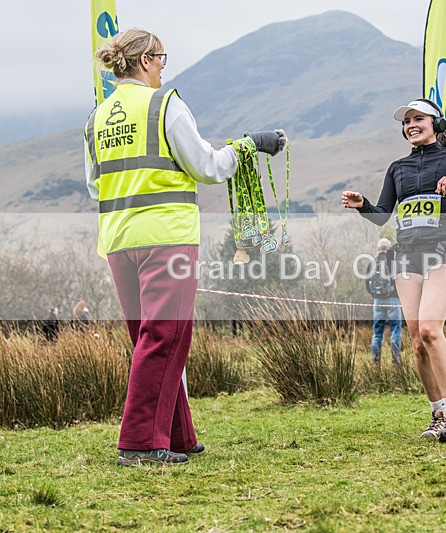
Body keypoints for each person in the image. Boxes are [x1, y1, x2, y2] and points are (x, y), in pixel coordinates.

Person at [85, 29, 286, 466]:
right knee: (166, 336)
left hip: (118, 238)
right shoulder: (164, 104)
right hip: (167, 236)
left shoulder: (97, 117)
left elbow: (92, 183)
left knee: (149, 338)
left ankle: (177, 436)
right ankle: (139, 444)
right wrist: (250, 145)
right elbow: (207, 166)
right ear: (143, 61)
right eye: (160, 58)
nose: (163, 66)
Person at [342, 98, 446, 441]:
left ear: (436, 124)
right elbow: (383, 214)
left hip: (444, 252)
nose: (411, 124)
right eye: (407, 121)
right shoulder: (398, 167)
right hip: (407, 257)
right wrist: (362, 205)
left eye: (418, 118)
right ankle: (438, 414)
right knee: (416, 342)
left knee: (429, 329)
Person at [366, 238, 402, 365]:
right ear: (389, 249)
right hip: (393, 300)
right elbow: (399, 281)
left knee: (377, 333)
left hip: (377, 302)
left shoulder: (372, 263)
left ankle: (376, 363)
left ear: (378, 248)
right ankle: (396, 363)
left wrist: (375, 295)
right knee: (396, 330)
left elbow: (367, 283)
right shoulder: (393, 262)